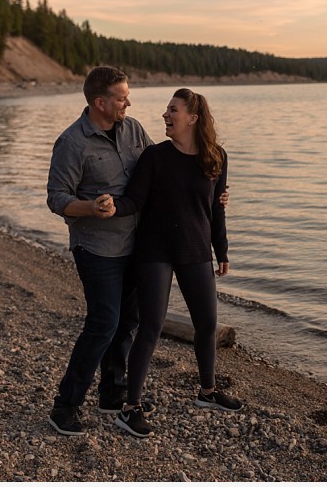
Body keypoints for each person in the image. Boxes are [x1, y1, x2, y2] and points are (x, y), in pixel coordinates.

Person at [45, 69, 227, 436]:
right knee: (104, 324)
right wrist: (90, 208)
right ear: (101, 102)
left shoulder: (133, 131)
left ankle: (112, 394)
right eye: (121, 97)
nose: (128, 102)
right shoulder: (72, 142)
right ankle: (65, 405)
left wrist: (210, 193)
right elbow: (57, 198)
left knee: (128, 323)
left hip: (139, 245)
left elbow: (163, 174)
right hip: (97, 247)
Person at [105, 88, 241, 438]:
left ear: (193, 118)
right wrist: (107, 206)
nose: (166, 114)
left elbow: (216, 210)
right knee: (150, 326)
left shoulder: (216, 158)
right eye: (167, 109)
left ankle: (207, 393)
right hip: (155, 251)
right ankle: (130, 407)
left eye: (173, 110)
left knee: (207, 324)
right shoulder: (155, 157)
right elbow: (133, 200)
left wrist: (221, 250)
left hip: (196, 251)